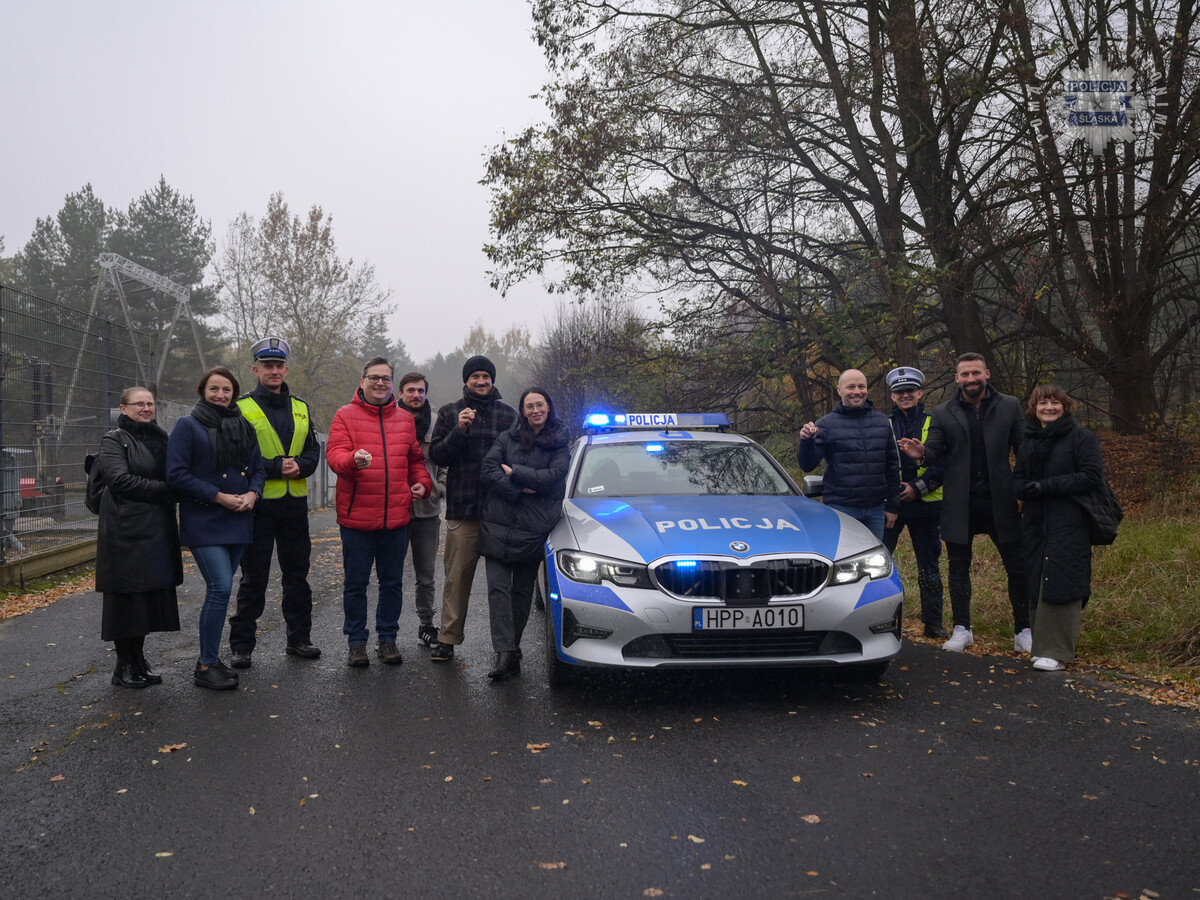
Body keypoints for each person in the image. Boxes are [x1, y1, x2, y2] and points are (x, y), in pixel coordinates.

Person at [897, 352, 1030, 653]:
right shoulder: (944, 412)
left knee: (1017, 566)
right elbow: (934, 451)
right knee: (958, 567)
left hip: (1002, 501)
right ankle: (962, 629)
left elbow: (1025, 452)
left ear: (987, 374)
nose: (971, 379)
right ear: (956, 378)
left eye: (976, 373)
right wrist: (921, 454)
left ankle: (1024, 629)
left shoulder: (1009, 406)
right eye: (965, 374)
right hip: (960, 501)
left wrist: (1022, 492)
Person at [326, 357, 433, 667]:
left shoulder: (405, 420)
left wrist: (422, 483)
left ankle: (388, 639)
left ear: (392, 384)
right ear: (362, 382)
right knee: (356, 584)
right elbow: (334, 455)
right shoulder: (344, 415)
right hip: (357, 517)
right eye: (374, 378)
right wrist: (352, 460)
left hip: (396, 518)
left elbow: (415, 460)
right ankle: (356, 642)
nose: (380, 383)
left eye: (386, 379)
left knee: (392, 584)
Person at [167, 367, 265, 690]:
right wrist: (219, 497)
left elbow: (258, 469)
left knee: (223, 590)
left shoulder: (244, 426)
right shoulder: (188, 425)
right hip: (206, 519)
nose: (221, 394)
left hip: (239, 519)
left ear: (234, 393)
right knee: (220, 588)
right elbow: (177, 474)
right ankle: (207, 664)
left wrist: (253, 493)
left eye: (226, 389)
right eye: (214, 389)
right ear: (202, 391)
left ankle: (209, 658)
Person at [228, 337, 322, 668]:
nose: (274, 370)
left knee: (297, 575)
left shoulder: (300, 406)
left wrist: (303, 464)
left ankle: (299, 639)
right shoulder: (241, 407)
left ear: (286, 369)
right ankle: (241, 646)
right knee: (254, 577)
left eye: (279, 365)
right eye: (267, 365)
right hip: (258, 507)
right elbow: (234, 456)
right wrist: (272, 467)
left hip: (294, 507)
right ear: (256, 369)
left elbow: (313, 450)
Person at [425, 355, 518, 662]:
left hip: (500, 512)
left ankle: (507, 647)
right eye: (475, 376)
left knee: (501, 584)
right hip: (463, 510)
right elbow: (439, 454)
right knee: (456, 578)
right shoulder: (452, 412)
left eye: (486, 376)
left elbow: (519, 456)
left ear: (493, 380)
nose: (481, 381)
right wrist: (459, 431)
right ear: (466, 380)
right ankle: (447, 639)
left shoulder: (509, 415)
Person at [478, 388, 570, 680]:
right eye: (529, 406)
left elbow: (554, 478)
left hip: (534, 527)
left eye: (539, 404)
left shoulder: (559, 441)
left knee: (521, 592)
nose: (534, 410)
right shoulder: (507, 437)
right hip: (498, 521)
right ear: (522, 410)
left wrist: (515, 471)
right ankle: (505, 653)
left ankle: (511, 649)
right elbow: (488, 469)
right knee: (498, 590)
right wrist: (519, 489)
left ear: (548, 406)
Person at [1012, 385, 1105, 671]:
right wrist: (1022, 489)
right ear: (1034, 408)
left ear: (1065, 406)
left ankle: (1058, 652)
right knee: (1038, 579)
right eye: (1042, 403)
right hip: (1037, 521)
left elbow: (1090, 476)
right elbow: (1019, 479)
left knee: (1063, 580)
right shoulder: (1029, 440)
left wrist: (1044, 487)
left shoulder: (1081, 438)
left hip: (1070, 519)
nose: (1048, 407)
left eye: (1054, 402)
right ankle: (1041, 647)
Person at [96, 387, 182, 688]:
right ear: (123, 408)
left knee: (145, 597)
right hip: (124, 530)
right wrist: (166, 491)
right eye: (138, 404)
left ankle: (138, 659)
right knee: (126, 599)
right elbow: (119, 480)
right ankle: (124, 665)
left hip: (156, 528)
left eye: (149, 403)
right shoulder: (114, 439)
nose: (146, 408)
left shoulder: (160, 437)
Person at [881, 367, 948, 639]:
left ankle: (933, 624)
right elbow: (879, 463)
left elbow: (945, 461)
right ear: (893, 396)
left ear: (920, 393)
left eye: (910, 390)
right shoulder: (882, 423)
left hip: (926, 506)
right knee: (880, 564)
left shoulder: (936, 422)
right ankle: (881, 621)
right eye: (899, 391)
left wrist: (918, 489)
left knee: (928, 567)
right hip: (891, 506)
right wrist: (892, 499)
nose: (905, 395)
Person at [797, 368, 900, 541]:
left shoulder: (882, 422)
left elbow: (892, 466)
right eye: (851, 387)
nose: (857, 392)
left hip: (876, 509)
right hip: (841, 509)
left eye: (862, 386)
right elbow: (807, 465)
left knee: (874, 563)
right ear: (839, 390)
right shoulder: (826, 424)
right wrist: (807, 441)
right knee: (844, 562)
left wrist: (893, 506)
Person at [396, 372, 444, 649]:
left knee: (426, 575)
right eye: (411, 390)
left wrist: (439, 487)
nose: (416, 395)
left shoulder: (437, 423)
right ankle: (386, 632)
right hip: (395, 511)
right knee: (391, 576)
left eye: (421, 391)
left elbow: (445, 460)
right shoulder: (388, 420)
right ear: (400, 393)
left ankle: (426, 625)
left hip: (428, 511)